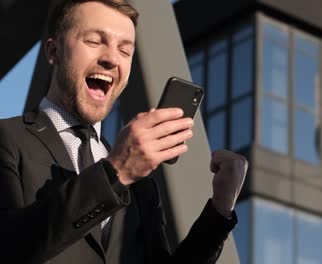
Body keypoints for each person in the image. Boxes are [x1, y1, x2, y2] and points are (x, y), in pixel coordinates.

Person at [0, 0, 247, 263]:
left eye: (125, 50)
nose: (111, 58)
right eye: (94, 41)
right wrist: (116, 172)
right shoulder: (7, 139)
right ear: (53, 51)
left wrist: (220, 210)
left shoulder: (141, 184)